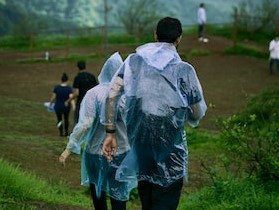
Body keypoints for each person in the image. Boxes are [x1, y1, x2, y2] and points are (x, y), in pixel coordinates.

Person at [102, 17, 207, 210]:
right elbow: (197, 112)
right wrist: (187, 115)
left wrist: (110, 132)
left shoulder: (133, 62)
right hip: (171, 150)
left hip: (142, 147)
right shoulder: (184, 70)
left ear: (155, 35)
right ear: (179, 39)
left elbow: (112, 95)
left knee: (147, 200)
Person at [59, 52, 136, 210]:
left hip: (95, 152)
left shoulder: (94, 93)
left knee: (98, 194)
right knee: (119, 195)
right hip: (121, 152)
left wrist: (69, 148)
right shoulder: (127, 95)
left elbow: (85, 124)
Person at [49, 73, 73, 137]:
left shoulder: (57, 88)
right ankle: (66, 132)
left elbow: (53, 97)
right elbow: (71, 97)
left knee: (59, 119)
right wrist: (70, 103)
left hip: (58, 106)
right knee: (66, 119)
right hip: (66, 106)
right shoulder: (69, 88)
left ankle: (61, 132)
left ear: (61, 80)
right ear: (67, 80)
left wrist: (50, 103)